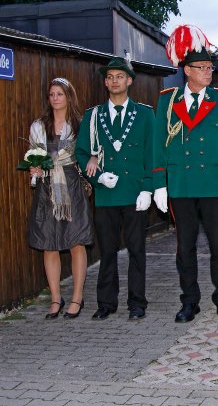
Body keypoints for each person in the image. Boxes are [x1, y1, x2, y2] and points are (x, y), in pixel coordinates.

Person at [153, 25, 218, 323]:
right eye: (202, 67)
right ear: (187, 70)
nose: (208, 72)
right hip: (181, 184)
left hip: (213, 184)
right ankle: (189, 301)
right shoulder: (168, 100)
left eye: (210, 67)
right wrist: (159, 183)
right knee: (185, 247)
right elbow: (159, 143)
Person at [76, 57, 154, 321]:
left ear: (129, 80)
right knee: (107, 251)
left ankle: (137, 303)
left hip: (135, 192)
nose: (114, 81)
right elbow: (81, 152)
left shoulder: (145, 114)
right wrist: (98, 178)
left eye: (120, 76)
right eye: (109, 77)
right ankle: (106, 303)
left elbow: (152, 153)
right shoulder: (93, 115)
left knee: (136, 250)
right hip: (106, 194)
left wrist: (148, 188)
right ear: (105, 83)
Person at [26, 78, 93, 319]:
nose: (55, 98)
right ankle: (56, 298)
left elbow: (90, 154)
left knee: (76, 242)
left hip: (71, 186)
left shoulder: (80, 125)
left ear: (68, 97)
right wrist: (34, 168)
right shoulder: (38, 126)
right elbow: (33, 155)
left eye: (60, 94)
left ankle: (77, 297)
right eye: (52, 94)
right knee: (49, 243)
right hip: (46, 188)